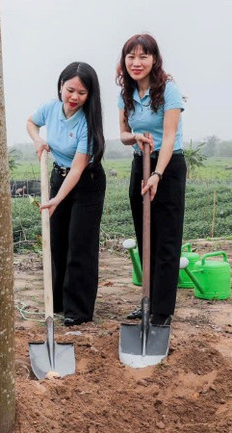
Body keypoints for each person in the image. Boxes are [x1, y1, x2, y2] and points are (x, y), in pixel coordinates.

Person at [27, 62, 107, 326]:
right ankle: (58, 302)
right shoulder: (50, 108)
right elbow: (31, 122)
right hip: (58, 176)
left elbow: (78, 168)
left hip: (86, 182)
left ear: (89, 95)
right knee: (58, 242)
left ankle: (78, 310)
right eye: (70, 90)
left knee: (79, 245)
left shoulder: (87, 123)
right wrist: (38, 139)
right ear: (61, 85)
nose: (74, 97)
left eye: (81, 93)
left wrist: (57, 200)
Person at [117, 34, 186, 326]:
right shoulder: (126, 93)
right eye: (131, 57)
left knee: (166, 238)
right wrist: (134, 137)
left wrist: (158, 173)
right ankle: (148, 298)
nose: (137, 62)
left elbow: (169, 137)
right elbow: (123, 134)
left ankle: (162, 310)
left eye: (143, 56)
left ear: (154, 59)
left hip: (167, 167)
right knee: (146, 235)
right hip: (140, 163)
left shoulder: (169, 89)